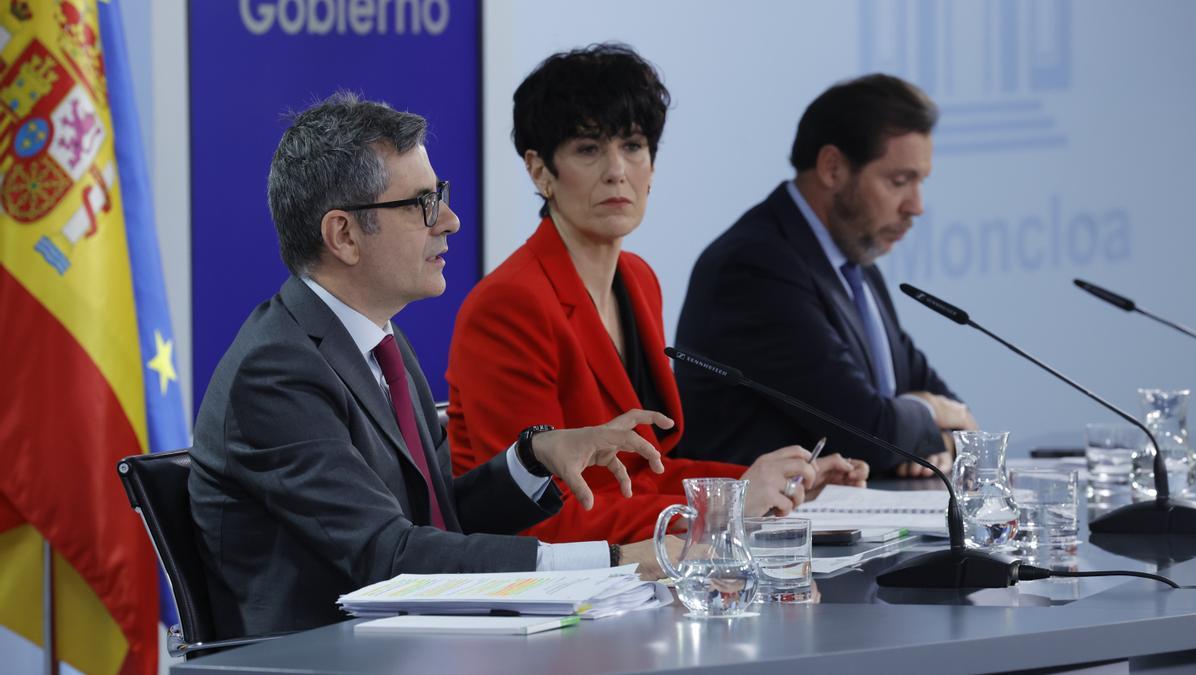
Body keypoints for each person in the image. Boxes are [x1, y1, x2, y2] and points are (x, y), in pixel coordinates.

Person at [189, 92, 682, 640]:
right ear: (344, 235)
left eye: (440, 196)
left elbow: (436, 516)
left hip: (415, 642)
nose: (449, 220)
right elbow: (390, 555)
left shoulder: (380, 338)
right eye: (422, 203)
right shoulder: (275, 373)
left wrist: (533, 457)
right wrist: (612, 563)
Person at [447, 44, 868, 546]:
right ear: (540, 171)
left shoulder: (638, 278)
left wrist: (769, 481)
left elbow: (644, 474)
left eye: (633, 145)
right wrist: (729, 505)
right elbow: (538, 520)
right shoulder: (510, 305)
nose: (616, 171)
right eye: (588, 149)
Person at [674, 73, 977, 478]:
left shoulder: (856, 263)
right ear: (833, 168)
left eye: (920, 182)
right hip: (765, 534)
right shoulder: (754, 267)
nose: (917, 206)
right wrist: (930, 414)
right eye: (899, 181)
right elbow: (870, 431)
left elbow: (954, 409)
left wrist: (943, 439)